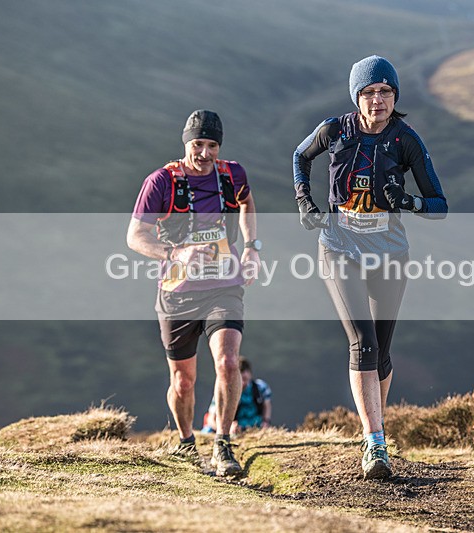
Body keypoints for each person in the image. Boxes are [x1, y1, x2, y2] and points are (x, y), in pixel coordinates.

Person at [292, 55, 448, 480]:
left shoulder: (406, 140)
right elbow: (299, 157)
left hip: (390, 251)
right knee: (362, 343)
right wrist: (305, 202)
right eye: (369, 92)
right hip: (339, 246)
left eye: (385, 91)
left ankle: (375, 432)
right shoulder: (334, 130)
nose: (378, 100)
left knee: (381, 348)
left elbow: (439, 205)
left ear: (395, 96)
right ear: (356, 96)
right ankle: (375, 443)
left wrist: (410, 203)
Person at [127, 109, 262, 477]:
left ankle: (222, 443)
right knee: (183, 382)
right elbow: (135, 236)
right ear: (186, 141)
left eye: (212, 145)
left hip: (224, 286)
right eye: (198, 144)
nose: (204, 153)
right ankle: (187, 442)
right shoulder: (160, 182)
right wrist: (176, 252)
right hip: (177, 292)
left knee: (228, 362)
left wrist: (251, 247)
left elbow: (247, 202)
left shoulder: (232, 174)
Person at [202, 356, 272, 434]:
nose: (242, 382)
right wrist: (226, 429)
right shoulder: (224, 391)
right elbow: (211, 419)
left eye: (244, 378)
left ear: (250, 374)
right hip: (232, 428)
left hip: (255, 425)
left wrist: (266, 421)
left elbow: (267, 405)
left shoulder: (260, 387)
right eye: (239, 379)